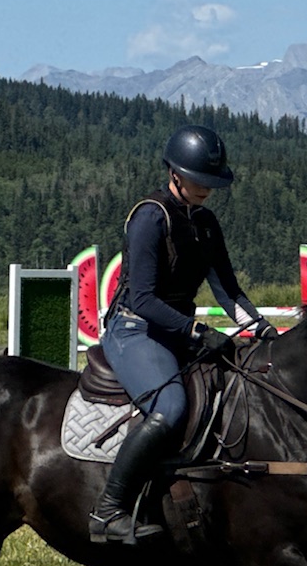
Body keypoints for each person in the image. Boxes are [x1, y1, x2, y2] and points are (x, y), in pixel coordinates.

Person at [89, 125, 275, 544]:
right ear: (174, 173)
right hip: (134, 329)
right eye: (199, 180)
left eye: (212, 181)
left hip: (175, 331)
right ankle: (108, 510)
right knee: (170, 407)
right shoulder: (149, 218)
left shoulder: (206, 223)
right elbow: (143, 300)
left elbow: (227, 289)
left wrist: (261, 327)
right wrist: (197, 330)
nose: (207, 189)